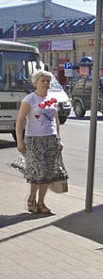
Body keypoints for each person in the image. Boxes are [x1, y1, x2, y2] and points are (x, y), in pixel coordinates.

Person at [15, 70, 68, 214]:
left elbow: (55, 120)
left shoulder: (52, 99)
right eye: (43, 81)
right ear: (35, 83)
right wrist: (20, 141)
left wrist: (59, 138)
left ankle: (41, 203)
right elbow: (19, 121)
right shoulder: (29, 100)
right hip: (34, 140)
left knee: (48, 173)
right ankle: (31, 199)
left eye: (48, 81)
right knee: (38, 172)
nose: (46, 83)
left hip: (51, 140)